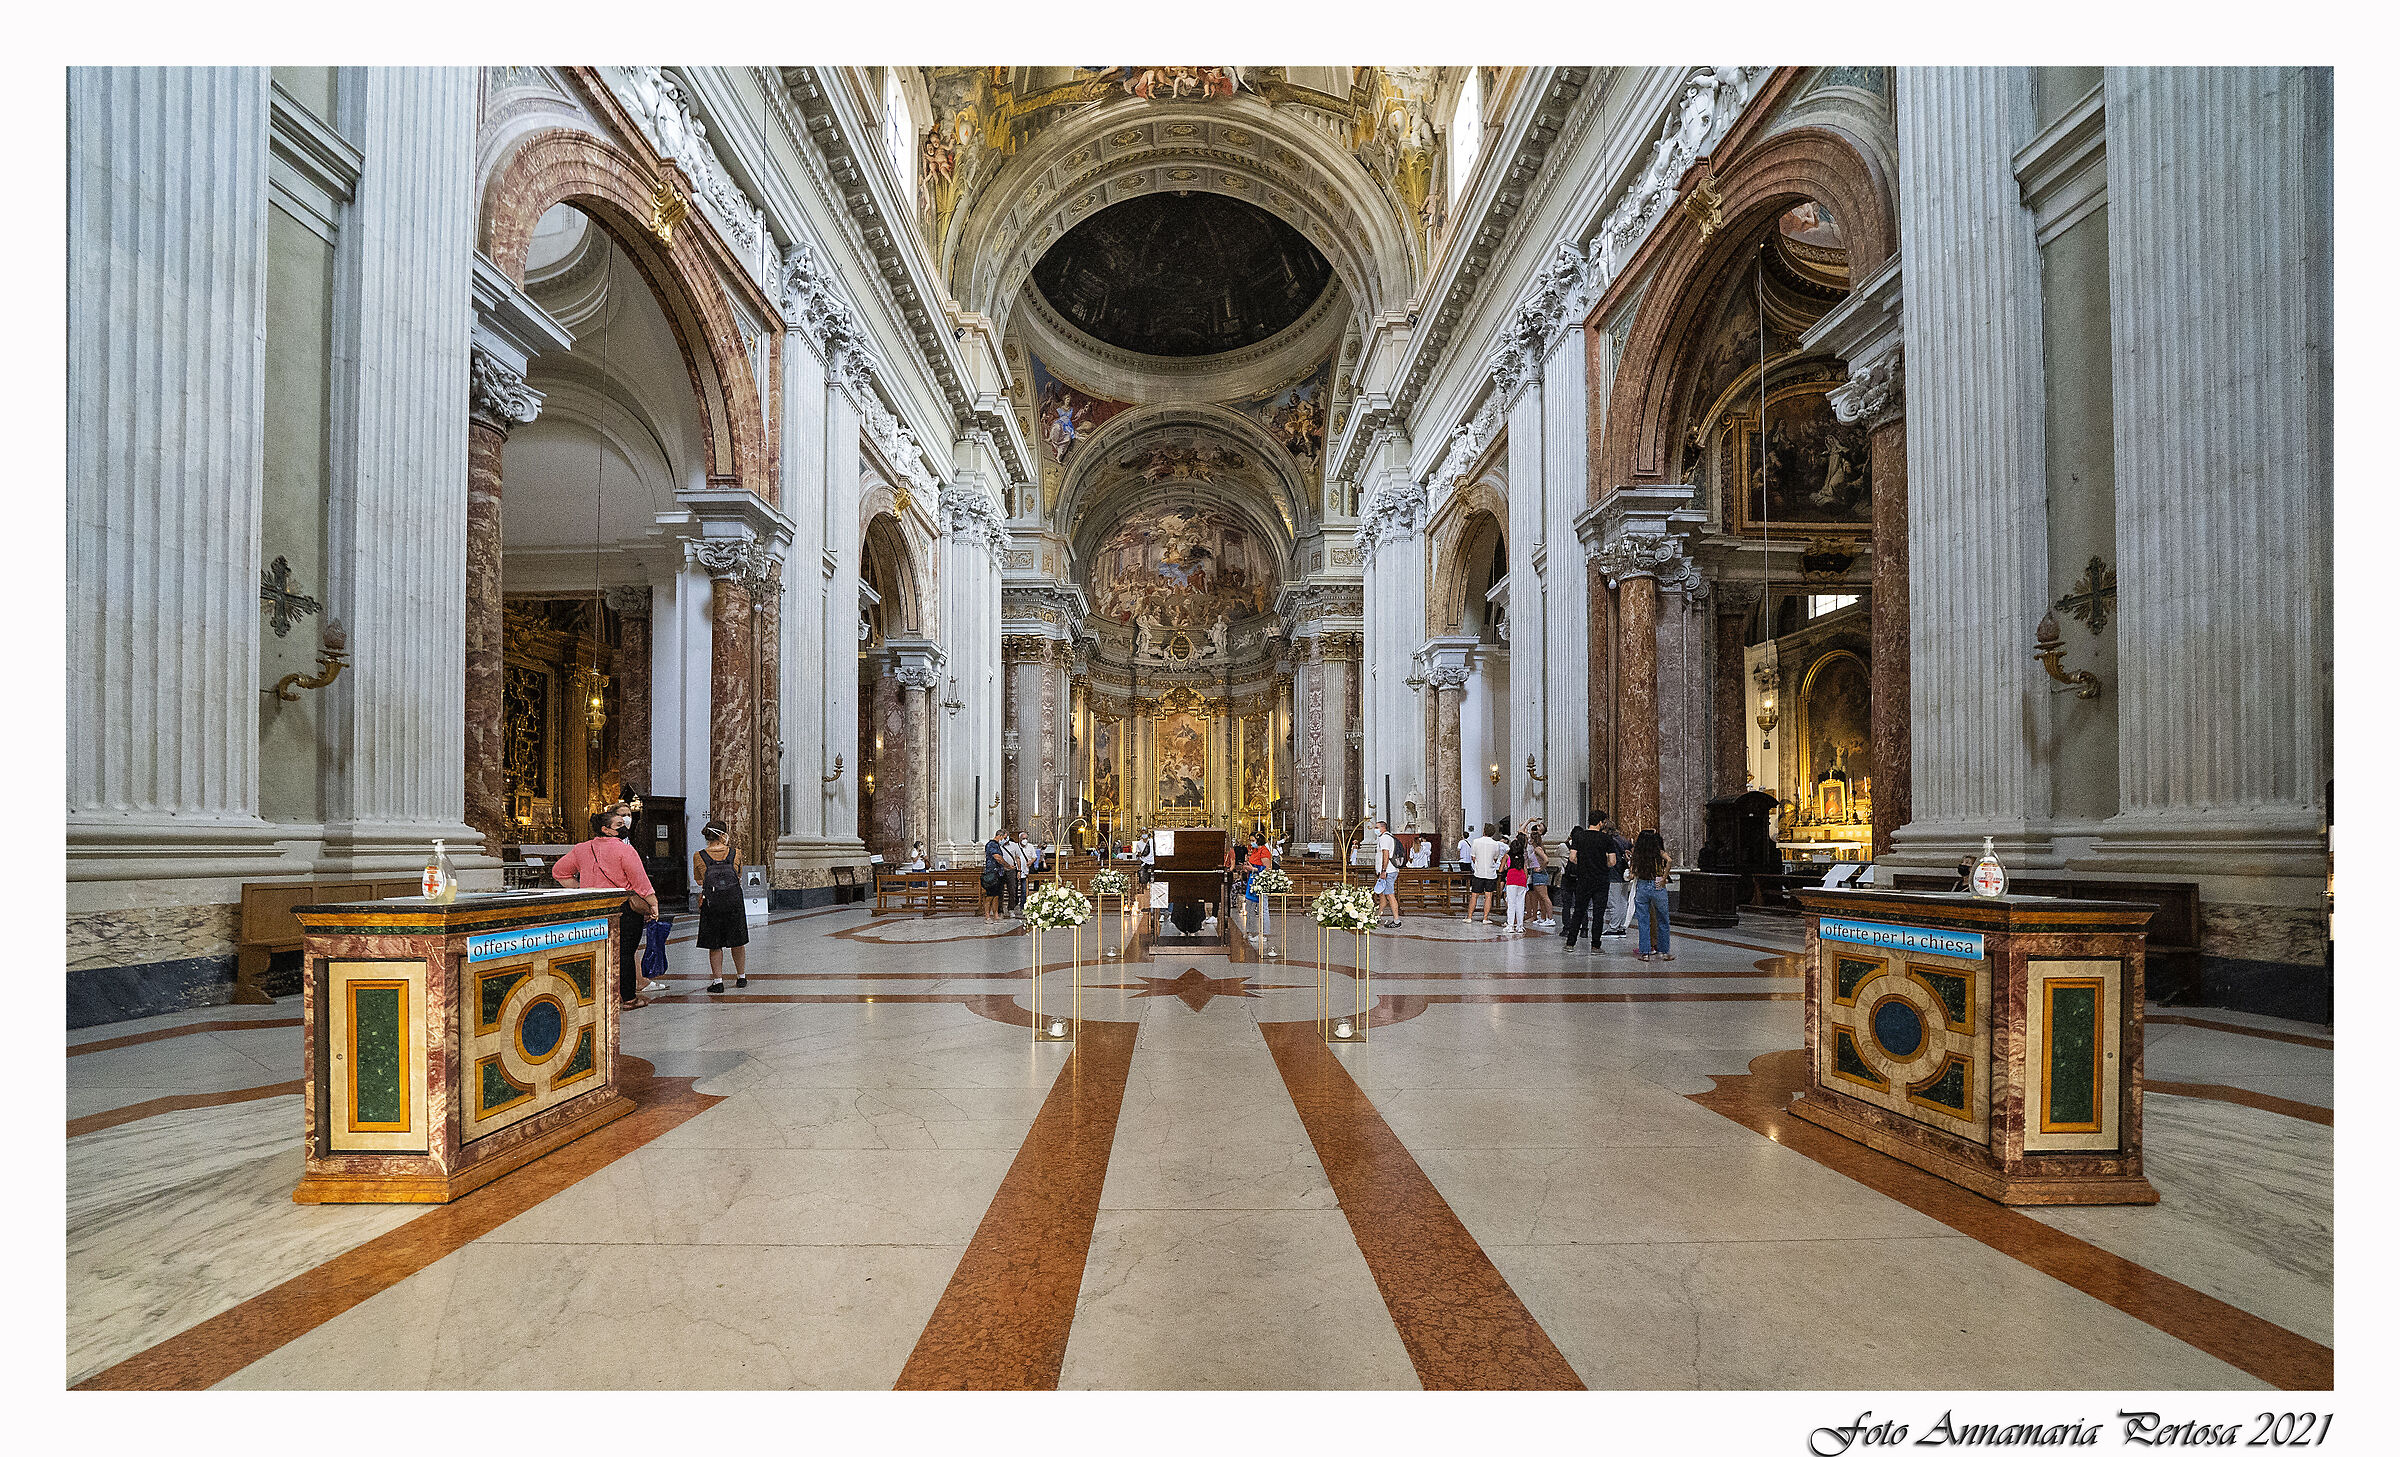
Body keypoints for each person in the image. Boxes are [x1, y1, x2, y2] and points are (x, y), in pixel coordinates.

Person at [551, 803, 660, 1009]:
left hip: (593, 907)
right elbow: (639, 881)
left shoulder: (582, 849)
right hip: (623, 908)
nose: (624, 826)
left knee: (597, 952)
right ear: (606, 829)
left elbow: (559, 871)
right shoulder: (625, 850)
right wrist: (653, 903)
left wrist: (582, 889)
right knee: (625, 953)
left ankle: (597, 997)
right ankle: (628, 998)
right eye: (619, 824)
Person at [690, 819, 748, 994]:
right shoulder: (736, 853)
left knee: (714, 944)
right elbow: (738, 875)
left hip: (712, 903)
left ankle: (718, 981)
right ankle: (741, 977)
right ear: (723, 835)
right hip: (734, 902)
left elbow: (699, 880)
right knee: (738, 941)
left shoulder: (699, 855)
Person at [1559, 807, 1610, 950]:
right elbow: (1612, 861)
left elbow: (1572, 857)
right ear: (1600, 823)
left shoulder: (1579, 836)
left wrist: (1583, 864)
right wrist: (1601, 863)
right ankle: (1595, 946)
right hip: (1601, 880)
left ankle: (1570, 943)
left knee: (1579, 910)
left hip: (1583, 879)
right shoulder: (1606, 838)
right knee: (1598, 913)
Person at [1631, 827, 1675, 961]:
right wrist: (1664, 877)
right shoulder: (1658, 852)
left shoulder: (1638, 853)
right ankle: (1664, 952)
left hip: (1642, 885)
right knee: (1663, 920)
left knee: (1643, 921)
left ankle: (1645, 953)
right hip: (1657, 884)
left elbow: (1632, 872)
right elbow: (1670, 860)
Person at [1465, 823, 1506, 926]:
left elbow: (1473, 857)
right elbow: (1495, 858)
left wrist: (1478, 863)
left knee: (1474, 895)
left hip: (1479, 872)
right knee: (1488, 896)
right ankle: (1485, 918)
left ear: (1484, 831)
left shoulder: (1476, 841)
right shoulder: (1495, 844)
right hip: (1490, 873)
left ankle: (1469, 917)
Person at [1524, 819, 1555, 926]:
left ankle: (1550, 919)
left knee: (1544, 897)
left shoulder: (1537, 849)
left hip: (1539, 874)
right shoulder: (1534, 848)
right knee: (1539, 897)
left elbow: (1546, 860)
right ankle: (1543, 917)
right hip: (1535, 873)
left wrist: (1541, 868)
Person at [1372, 818, 1401, 927]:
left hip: (1388, 871)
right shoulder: (1387, 837)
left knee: (1390, 895)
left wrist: (1383, 870)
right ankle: (1377, 917)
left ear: (1383, 828)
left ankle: (1397, 921)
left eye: (1377, 827)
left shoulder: (1384, 838)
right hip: (1387, 871)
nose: (1375, 829)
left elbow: (1386, 854)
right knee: (1382, 896)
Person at [1502, 832, 1531, 934]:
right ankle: (1520, 926)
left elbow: (1501, 869)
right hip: (1521, 879)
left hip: (1512, 879)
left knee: (1511, 903)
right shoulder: (1522, 856)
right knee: (1520, 903)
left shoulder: (1507, 855)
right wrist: (1525, 880)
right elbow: (1525, 869)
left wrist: (1505, 867)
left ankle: (1510, 926)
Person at [981, 831, 1007, 921]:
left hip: (998, 873)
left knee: (996, 896)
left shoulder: (997, 845)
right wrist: (1007, 865)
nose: (1004, 840)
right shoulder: (991, 844)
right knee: (990, 896)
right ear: (1000, 836)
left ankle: (996, 915)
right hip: (991, 873)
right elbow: (997, 857)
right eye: (1004, 838)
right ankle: (987, 915)